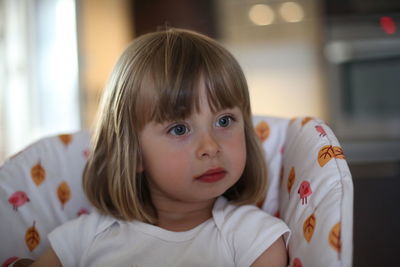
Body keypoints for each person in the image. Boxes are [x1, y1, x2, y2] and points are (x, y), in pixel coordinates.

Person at [31, 28, 290, 267]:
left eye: (224, 121)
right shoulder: (81, 239)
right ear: (133, 153)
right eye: (179, 129)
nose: (210, 147)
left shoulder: (255, 238)